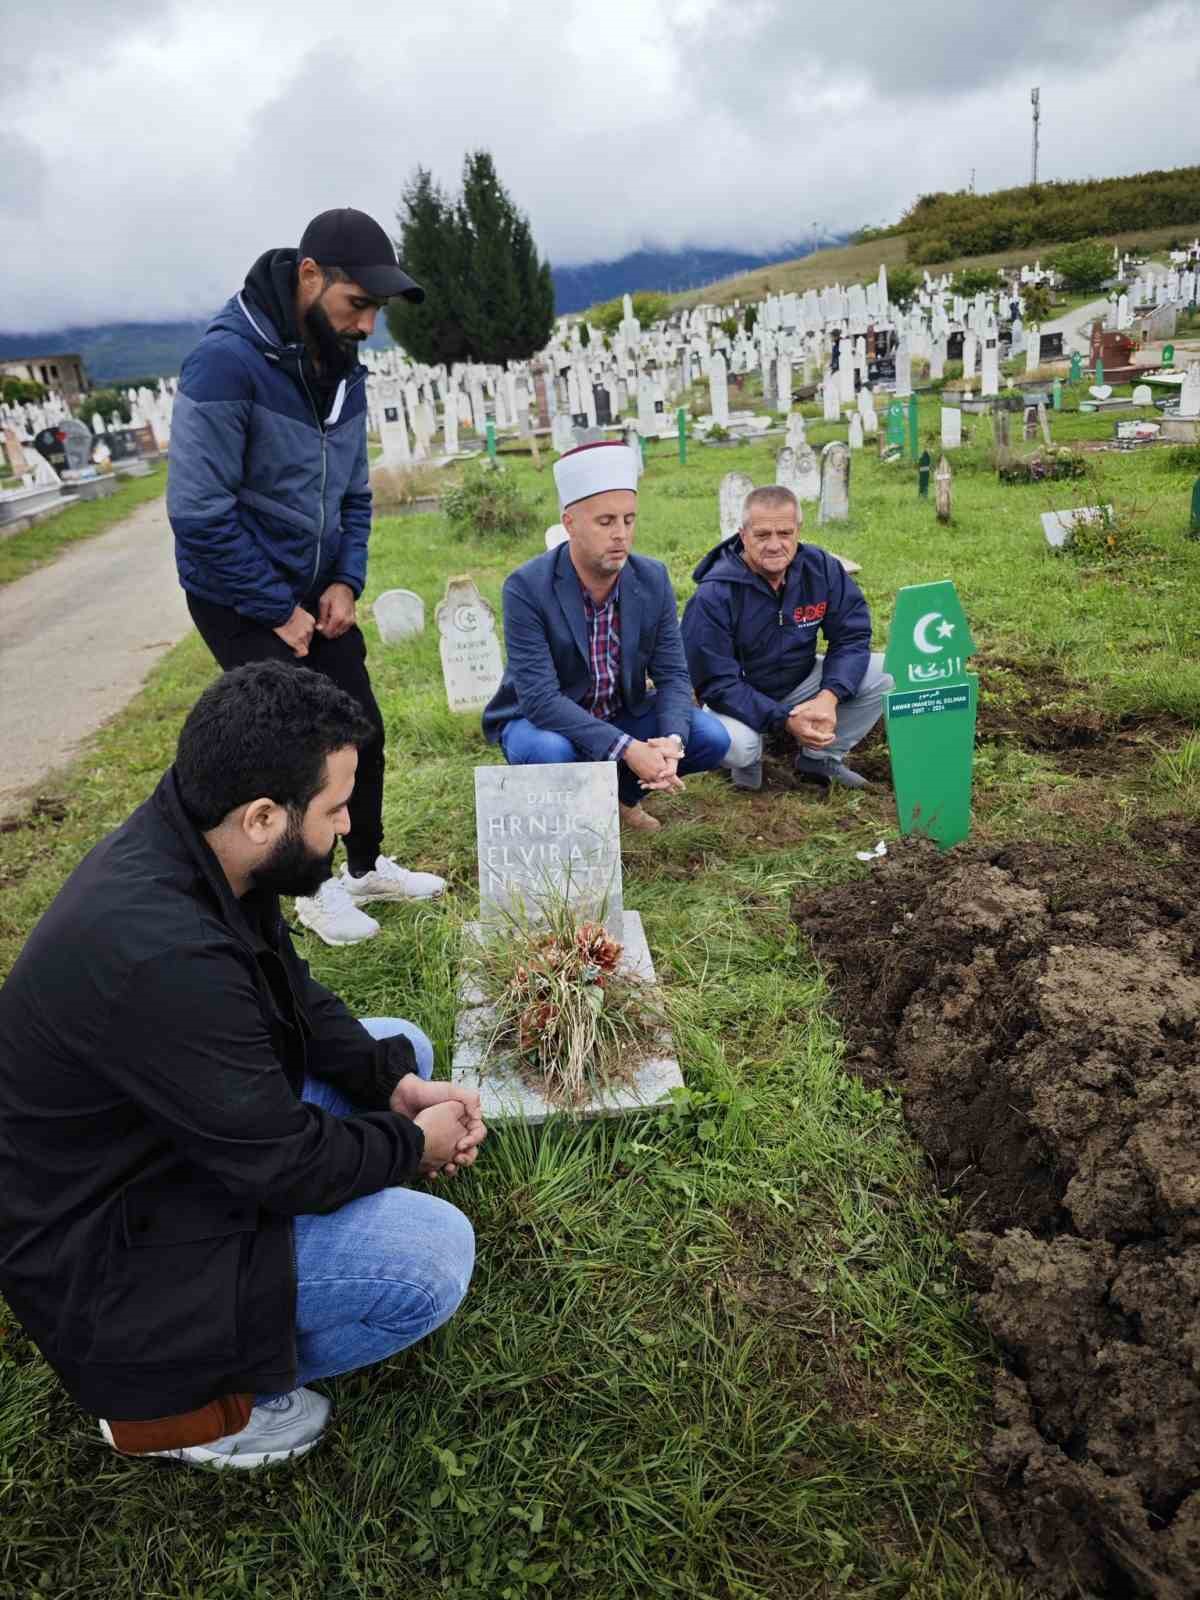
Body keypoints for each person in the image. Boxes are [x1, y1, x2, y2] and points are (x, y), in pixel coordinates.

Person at [0, 663, 485, 1469]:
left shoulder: (203, 837)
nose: (345, 829)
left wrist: (391, 1085)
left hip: (163, 1146)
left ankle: (246, 1322)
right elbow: (285, 1165)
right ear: (265, 816)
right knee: (431, 1257)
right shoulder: (162, 954)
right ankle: (185, 1411)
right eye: (335, 810)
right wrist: (414, 1145)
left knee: (401, 1044)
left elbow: (290, 990)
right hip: (111, 1250)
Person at [167, 206, 445, 948]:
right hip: (237, 594)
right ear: (311, 277)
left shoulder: (345, 372)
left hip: (317, 592)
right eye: (359, 306)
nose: (366, 326)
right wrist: (276, 609)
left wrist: (345, 582)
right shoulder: (225, 363)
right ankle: (312, 893)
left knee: (364, 732)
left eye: (377, 312)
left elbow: (354, 494)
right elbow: (199, 514)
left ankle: (362, 866)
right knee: (299, 754)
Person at [482, 441, 730, 831]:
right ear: (570, 523)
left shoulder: (651, 578)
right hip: (541, 721)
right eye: (605, 522)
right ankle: (578, 819)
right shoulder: (527, 587)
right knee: (550, 752)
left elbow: (673, 675)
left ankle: (622, 800)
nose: (620, 535)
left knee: (710, 736)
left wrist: (670, 741)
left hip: (619, 709)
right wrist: (627, 748)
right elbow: (540, 699)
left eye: (629, 520)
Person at [681, 485, 891, 792]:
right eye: (762, 535)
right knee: (737, 746)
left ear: (798, 531)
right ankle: (746, 765)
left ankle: (820, 758)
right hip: (739, 696)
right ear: (743, 535)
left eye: (785, 533)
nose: (775, 545)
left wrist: (828, 696)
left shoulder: (821, 569)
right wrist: (782, 719)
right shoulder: (713, 596)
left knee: (885, 671)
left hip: (799, 681)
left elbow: (851, 635)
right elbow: (716, 684)